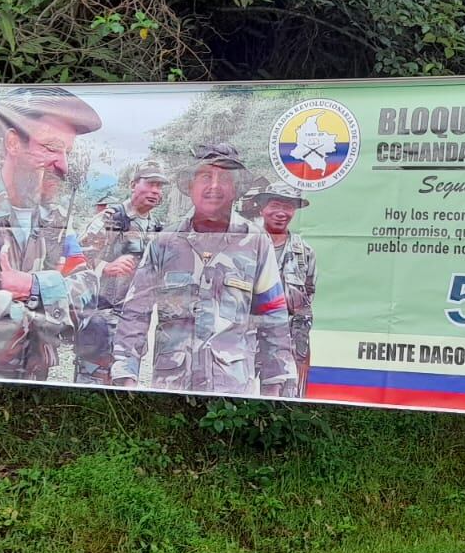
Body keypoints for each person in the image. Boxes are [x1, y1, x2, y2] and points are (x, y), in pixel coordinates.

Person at [0, 87, 100, 381]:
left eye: (67, 152)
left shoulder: (55, 220)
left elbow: (88, 289)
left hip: (34, 383)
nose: (63, 165)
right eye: (51, 148)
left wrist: (33, 286)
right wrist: (57, 306)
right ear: (13, 143)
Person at [109, 144, 297, 395]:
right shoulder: (165, 242)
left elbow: (273, 319)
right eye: (205, 176)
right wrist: (126, 375)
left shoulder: (256, 242)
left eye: (225, 178)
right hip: (171, 390)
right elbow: (135, 312)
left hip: (231, 395)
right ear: (191, 186)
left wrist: (274, 387)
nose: (214, 186)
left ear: (236, 188)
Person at [72, 160, 169, 384]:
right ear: (133, 185)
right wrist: (105, 267)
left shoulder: (157, 228)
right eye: (150, 183)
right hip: (101, 322)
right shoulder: (110, 219)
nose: (155, 191)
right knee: (92, 387)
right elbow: (74, 262)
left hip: (132, 327)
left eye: (159, 186)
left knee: (124, 387)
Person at [245, 183, 316, 398]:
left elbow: (308, 298)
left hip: (288, 348)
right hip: (246, 343)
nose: (281, 212)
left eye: (288, 207)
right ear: (261, 208)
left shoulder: (304, 253)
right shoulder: (243, 246)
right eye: (275, 205)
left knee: (284, 404)